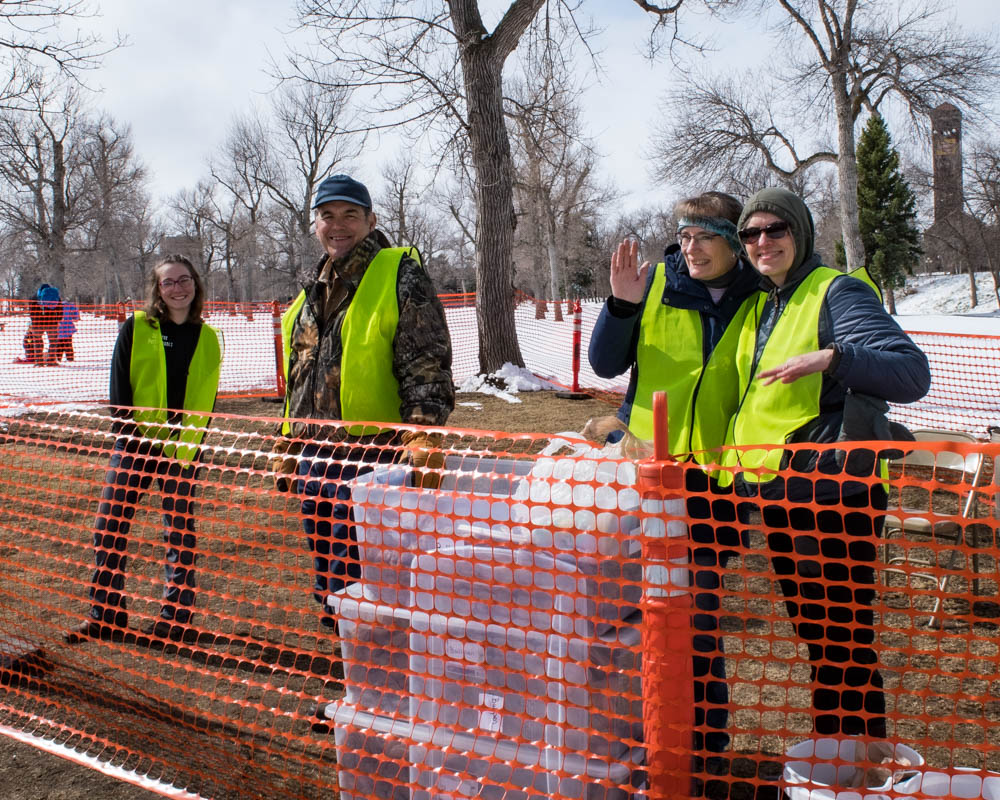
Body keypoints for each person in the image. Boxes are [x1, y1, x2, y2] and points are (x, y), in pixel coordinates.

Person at [716, 187, 930, 743]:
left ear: (800, 232)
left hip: (834, 495)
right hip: (785, 493)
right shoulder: (766, 300)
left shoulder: (836, 292)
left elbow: (911, 374)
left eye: (775, 230)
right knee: (819, 638)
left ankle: (858, 764)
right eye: (751, 234)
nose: (763, 242)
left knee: (843, 642)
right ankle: (840, 759)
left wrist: (834, 358)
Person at [587, 192, 759, 780]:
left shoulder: (761, 294)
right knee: (632, 619)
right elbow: (605, 367)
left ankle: (703, 758)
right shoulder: (656, 282)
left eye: (704, 237)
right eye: (684, 238)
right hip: (639, 484)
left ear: (733, 241)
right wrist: (621, 306)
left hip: (712, 489)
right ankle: (636, 746)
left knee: (699, 626)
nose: (691, 249)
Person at [273, 174, 454, 727]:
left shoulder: (399, 275)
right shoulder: (311, 288)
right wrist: (287, 441)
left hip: (375, 460)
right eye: (327, 215)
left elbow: (425, 359)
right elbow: (299, 376)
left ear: (371, 221)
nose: (338, 225)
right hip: (317, 460)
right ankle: (360, 693)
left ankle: (398, 701)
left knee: (380, 583)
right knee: (333, 583)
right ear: (315, 225)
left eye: (350, 214)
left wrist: (421, 433)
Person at [65, 255, 222, 645]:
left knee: (179, 534)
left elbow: (207, 398)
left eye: (184, 280)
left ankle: (177, 619)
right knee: (109, 529)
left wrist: (193, 447)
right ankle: (106, 616)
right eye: (168, 282)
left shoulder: (209, 336)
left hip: (181, 452)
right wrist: (128, 438)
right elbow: (119, 388)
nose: (177, 288)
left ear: (195, 284)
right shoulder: (137, 327)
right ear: (157, 289)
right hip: (135, 446)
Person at [36, 284, 62, 366]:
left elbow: (32, 310)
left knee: (37, 341)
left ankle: (39, 361)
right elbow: (60, 309)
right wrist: (58, 320)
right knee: (53, 341)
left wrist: (34, 320)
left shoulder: (35, 297)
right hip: (52, 322)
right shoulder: (56, 297)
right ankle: (51, 360)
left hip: (38, 323)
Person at [55, 298, 81, 362]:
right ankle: (70, 359)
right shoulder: (70, 305)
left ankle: (58, 359)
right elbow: (76, 317)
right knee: (68, 344)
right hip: (68, 328)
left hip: (58, 327)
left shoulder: (54, 305)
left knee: (59, 344)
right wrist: (76, 317)